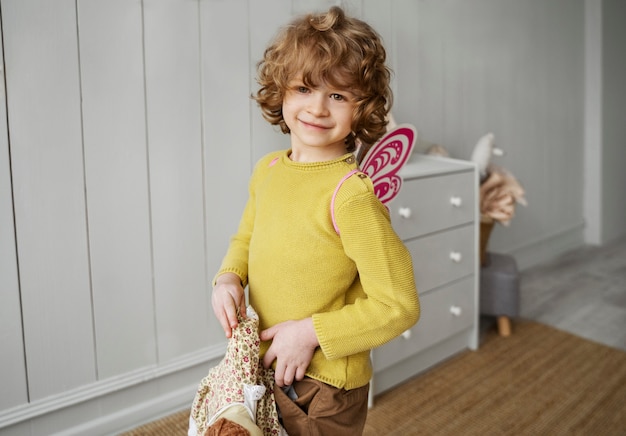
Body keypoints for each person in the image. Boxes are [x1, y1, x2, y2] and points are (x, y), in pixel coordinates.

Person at [211, 6, 420, 435]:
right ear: (281, 90)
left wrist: (310, 333)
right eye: (305, 88)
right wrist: (229, 277)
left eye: (339, 95)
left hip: (324, 385)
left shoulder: (351, 195)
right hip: (266, 362)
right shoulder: (268, 169)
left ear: (362, 107)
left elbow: (399, 306)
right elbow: (247, 237)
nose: (318, 107)